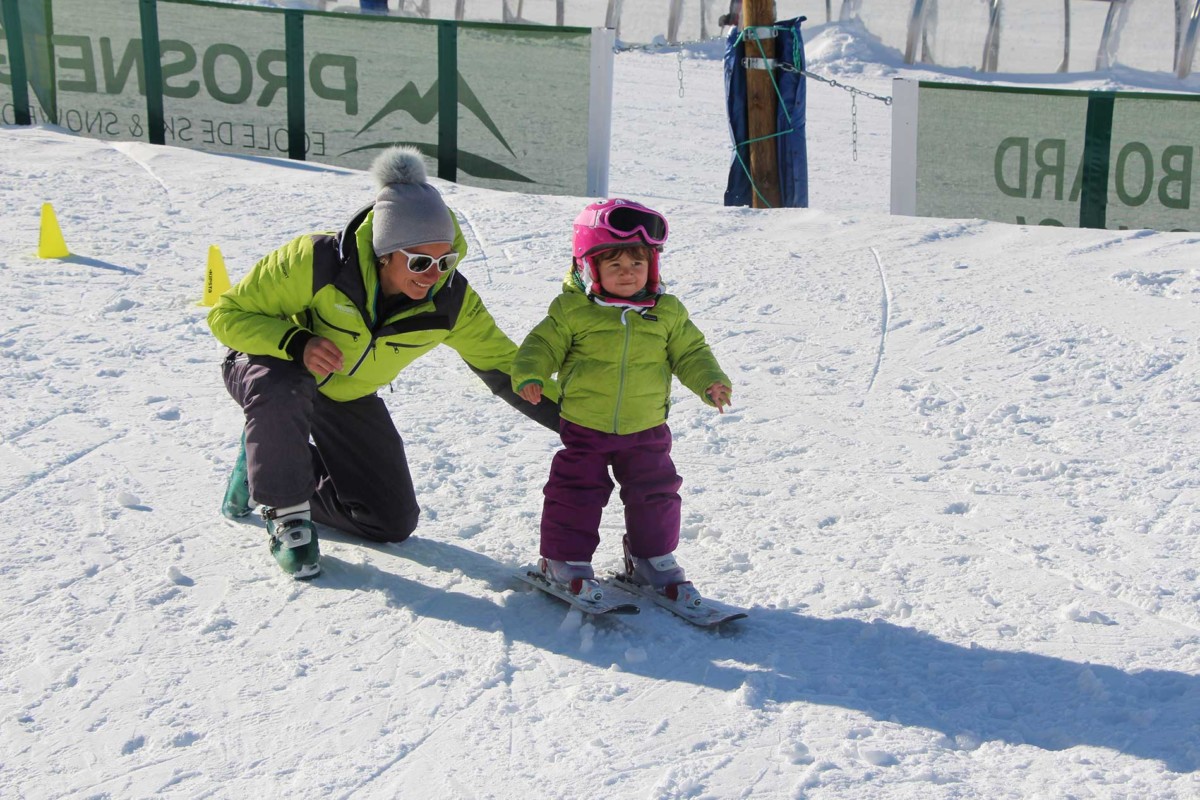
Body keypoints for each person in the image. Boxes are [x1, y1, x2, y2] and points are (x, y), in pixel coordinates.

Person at [209, 146, 559, 579]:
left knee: (390, 521)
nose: (433, 274)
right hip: (271, 365)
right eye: (419, 261)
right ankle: (288, 517)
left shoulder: (451, 303)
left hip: (345, 393)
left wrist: (585, 424)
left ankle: (266, 459)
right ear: (385, 253)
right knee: (286, 386)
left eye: (445, 261)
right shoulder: (317, 261)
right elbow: (226, 314)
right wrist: (295, 340)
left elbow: (509, 366)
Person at [511, 198, 732, 604]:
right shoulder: (573, 312)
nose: (628, 274)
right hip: (586, 426)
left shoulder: (666, 313)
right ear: (589, 268)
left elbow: (691, 352)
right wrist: (531, 374)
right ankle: (564, 561)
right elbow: (541, 345)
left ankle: (652, 558)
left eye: (638, 265)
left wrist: (710, 381)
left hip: (646, 428)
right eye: (615, 266)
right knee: (577, 491)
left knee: (657, 492)